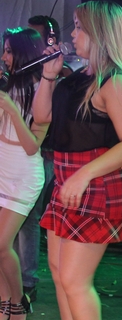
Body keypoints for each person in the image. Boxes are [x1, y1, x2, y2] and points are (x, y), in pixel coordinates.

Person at [33, 1, 122, 320]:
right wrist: (49, 75)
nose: (72, 34)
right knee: (58, 272)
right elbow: (41, 117)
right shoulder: (77, 77)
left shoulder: (117, 82)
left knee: (74, 280)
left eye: (79, 27)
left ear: (100, 33)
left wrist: (83, 176)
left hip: (97, 184)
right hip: (69, 180)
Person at [14, 15, 68, 304]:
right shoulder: (18, 75)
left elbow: (44, 122)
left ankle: (27, 280)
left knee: (27, 217)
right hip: (15, 156)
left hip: (42, 155)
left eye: (36, 38)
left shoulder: (55, 76)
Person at [0, 28, 48, 320]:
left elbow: (32, 146)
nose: (4, 57)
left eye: (8, 51)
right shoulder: (7, 85)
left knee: (1, 245)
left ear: (23, 54)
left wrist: (11, 109)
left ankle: (18, 306)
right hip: (2, 170)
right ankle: (3, 303)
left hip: (24, 175)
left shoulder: (41, 90)